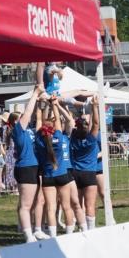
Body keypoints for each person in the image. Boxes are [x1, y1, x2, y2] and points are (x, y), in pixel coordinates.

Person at [35, 96, 76, 235]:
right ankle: (69, 234)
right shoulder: (58, 136)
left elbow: (39, 120)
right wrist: (54, 104)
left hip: (48, 177)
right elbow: (58, 120)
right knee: (67, 207)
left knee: (51, 209)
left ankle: (53, 237)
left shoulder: (39, 140)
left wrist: (39, 105)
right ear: (53, 129)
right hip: (62, 174)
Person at [9, 87, 44, 242]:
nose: (23, 118)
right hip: (26, 167)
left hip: (34, 167)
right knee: (26, 205)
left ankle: (31, 229)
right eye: (19, 118)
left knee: (34, 201)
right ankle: (28, 236)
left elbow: (36, 116)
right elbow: (28, 113)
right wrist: (35, 94)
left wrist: (43, 103)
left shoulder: (28, 130)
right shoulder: (17, 130)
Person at [69, 95, 101, 231]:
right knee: (90, 204)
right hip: (89, 173)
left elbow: (70, 123)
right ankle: (91, 229)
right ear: (87, 127)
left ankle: (82, 228)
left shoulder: (73, 137)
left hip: (76, 173)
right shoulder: (91, 139)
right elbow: (96, 124)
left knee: (78, 203)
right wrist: (94, 106)